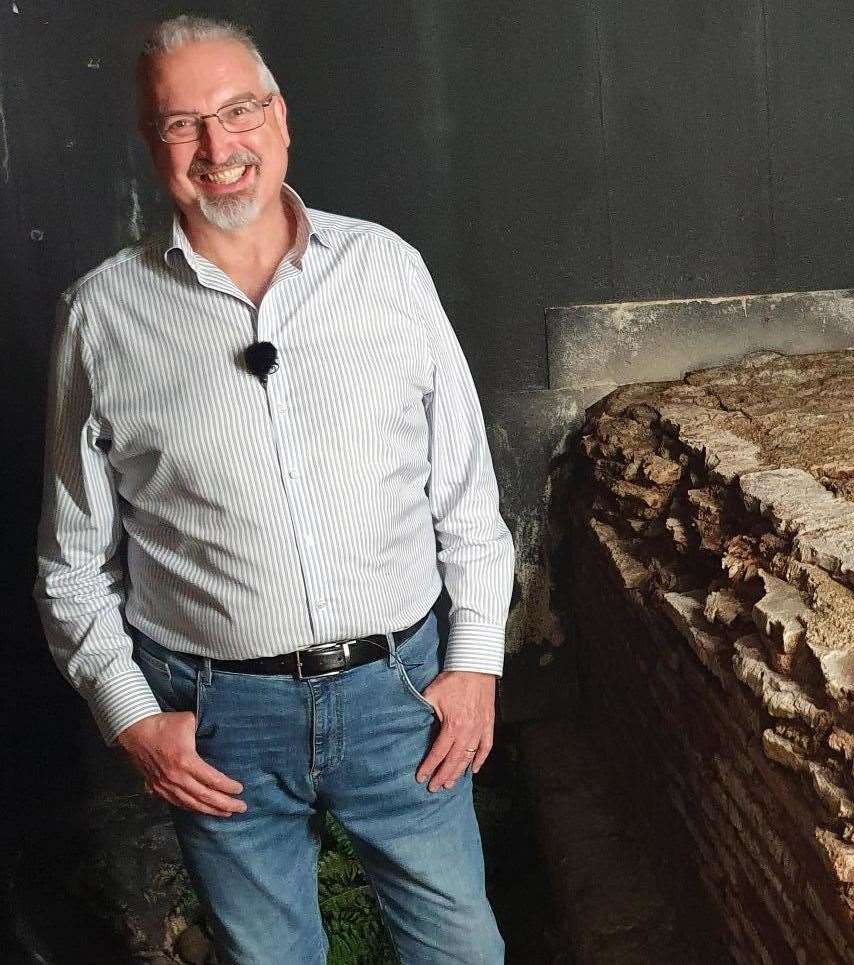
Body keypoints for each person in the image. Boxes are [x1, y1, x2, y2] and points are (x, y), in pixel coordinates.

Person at [33, 14, 512, 964]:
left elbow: (466, 494)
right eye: (182, 124)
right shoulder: (100, 316)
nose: (218, 148)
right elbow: (71, 562)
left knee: (463, 952)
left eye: (238, 110)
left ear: (280, 118)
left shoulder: (385, 269)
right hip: (219, 723)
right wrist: (131, 715)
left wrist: (477, 665)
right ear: (152, 145)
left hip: (401, 696)